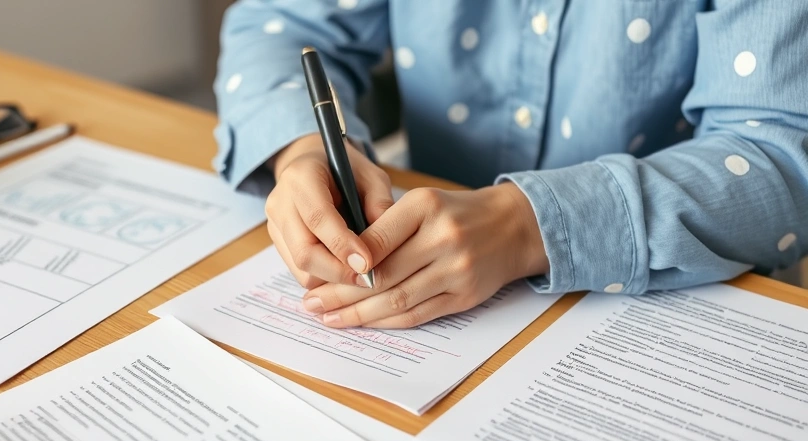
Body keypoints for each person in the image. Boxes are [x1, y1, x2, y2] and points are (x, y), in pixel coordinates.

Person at [212, 1, 808, 330]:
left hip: (684, 316)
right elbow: (282, 25)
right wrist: (303, 149)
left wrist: (530, 224)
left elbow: (781, 152)